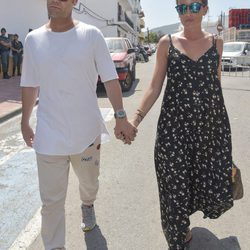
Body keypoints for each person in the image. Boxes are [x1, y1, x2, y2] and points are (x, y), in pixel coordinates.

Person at [20, 0, 137, 249]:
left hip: (86, 135)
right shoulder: (34, 40)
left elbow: (110, 79)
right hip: (48, 137)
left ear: (74, 1)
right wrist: (24, 120)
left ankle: (87, 205)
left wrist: (120, 117)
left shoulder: (91, 36)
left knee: (89, 185)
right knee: (51, 203)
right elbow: (30, 84)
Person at [131, 0, 233, 249]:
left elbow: (214, 85)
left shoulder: (217, 44)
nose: (188, 12)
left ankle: (184, 225)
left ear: (205, 9)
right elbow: (155, 86)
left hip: (209, 131)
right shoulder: (167, 43)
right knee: (173, 189)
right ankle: (177, 239)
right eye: (182, 7)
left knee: (206, 182)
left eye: (194, 6)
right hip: (173, 133)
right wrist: (136, 119)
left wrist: (218, 132)